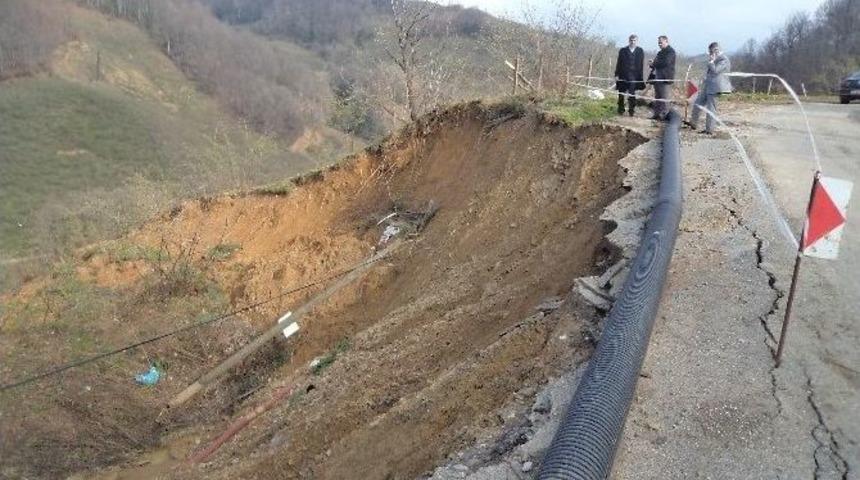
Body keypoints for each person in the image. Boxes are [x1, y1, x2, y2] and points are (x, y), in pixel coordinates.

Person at [686, 42, 732, 134]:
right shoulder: (715, 59)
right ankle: (693, 123)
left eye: (711, 52)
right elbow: (710, 72)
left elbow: (715, 70)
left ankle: (709, 130)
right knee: (698, 103)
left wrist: (711, 62)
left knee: (711, 109)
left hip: (715, 88)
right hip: (708, 86)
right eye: (709, 52)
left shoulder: (724, 59)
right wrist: (704, 78)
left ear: (716, 50)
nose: (710, 54)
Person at [614, 34, 645, 116]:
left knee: (632, 94)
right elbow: (619, 63)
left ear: (637, 41)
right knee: (621, 93)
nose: (632, 42)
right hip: (623, 75)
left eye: (634, 40)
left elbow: (641, 65)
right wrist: (616, 74)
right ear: (629, 41)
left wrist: (640, 77)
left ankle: (631, 110)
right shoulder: (623, 50)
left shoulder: (640, 51)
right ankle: (620, 109)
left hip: (634, 76)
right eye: (631, 40)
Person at [648, 35, 676, 120]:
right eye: (658, 43)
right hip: (657, 77)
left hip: (665, 78)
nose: (659, 44)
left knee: (664, 97)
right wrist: (652, 64)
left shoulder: (670, 52)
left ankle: (664, 115)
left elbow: (665, 62)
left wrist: (654, 63)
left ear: (666, 41)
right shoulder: (660, 52)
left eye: (661, 42)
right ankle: (656, 114)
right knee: (657, 97)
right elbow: (657, 63)